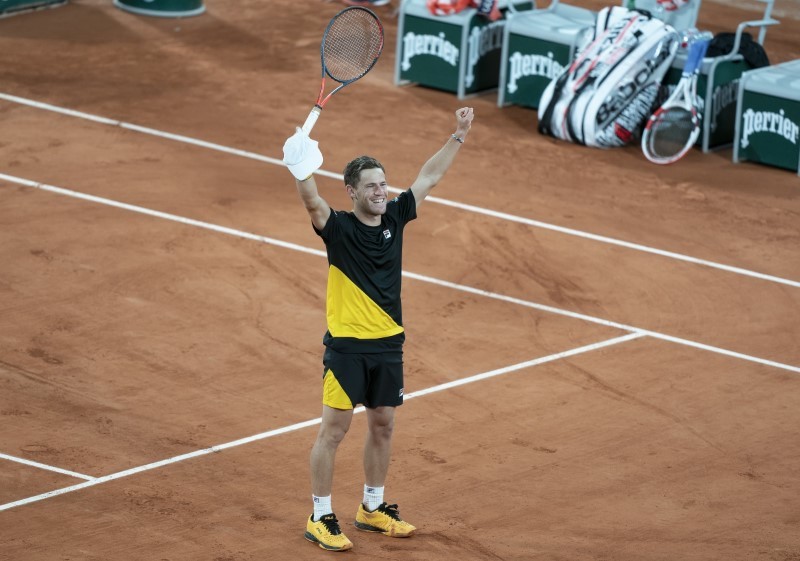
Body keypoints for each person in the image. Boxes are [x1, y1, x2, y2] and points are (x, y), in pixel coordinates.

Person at [281, 107, 474, 552]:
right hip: (347, 348)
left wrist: (458, 136)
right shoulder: (338, 228)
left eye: (383, 184)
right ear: (351, 191)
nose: (380, 191)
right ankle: (320, 514)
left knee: (383, 424)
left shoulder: (394, 217)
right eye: (371, 186)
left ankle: (372, 507)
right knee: (333, 431)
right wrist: (300, 166)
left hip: (388, 345)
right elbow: (311, 199)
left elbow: (428, 177)